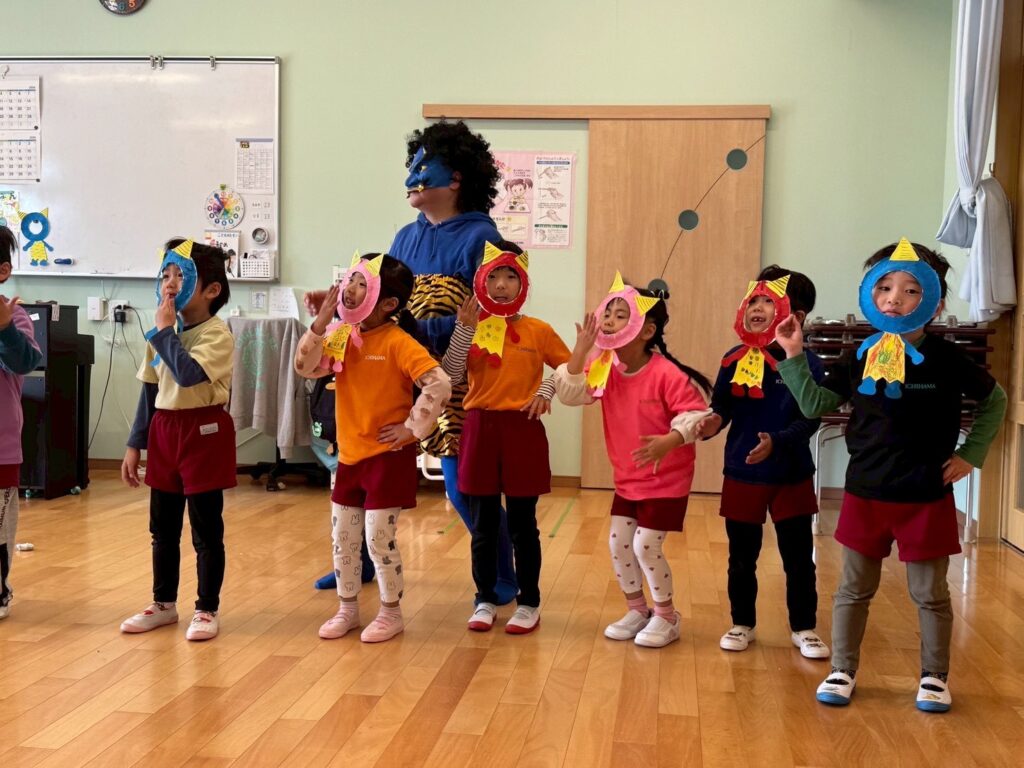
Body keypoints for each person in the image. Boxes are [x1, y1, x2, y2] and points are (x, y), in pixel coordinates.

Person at [775, 239, 1006, 712]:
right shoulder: (860, 354)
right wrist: (794, 354)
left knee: (929, 593)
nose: (894, 298)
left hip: (926, 493)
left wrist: (972, 454)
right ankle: (842, 668)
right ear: (869, 295)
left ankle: (934, 677)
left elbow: (995, 400)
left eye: (910, 290)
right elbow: (816, 404)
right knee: (853, 589)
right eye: (883, 287)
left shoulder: (947, 357)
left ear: (935, 303)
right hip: (866, 492)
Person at [307, 120, 517, 603]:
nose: (411, 178)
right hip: (393, 373)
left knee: (462, 485)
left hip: (453, 377)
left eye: (424, 167)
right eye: (412, 166)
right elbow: (383, 303)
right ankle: (356, 563)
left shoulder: (481, 236)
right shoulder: (404, 237)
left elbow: (491, 312)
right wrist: (338, 309)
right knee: (364, 470)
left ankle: (501, 572)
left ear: (456, 177)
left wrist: (427, 334)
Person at [295, 253, 452, 643]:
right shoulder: (341, 335)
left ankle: (390, 612)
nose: (350, 288)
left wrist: (411, 428)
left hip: (387, 458)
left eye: (362, 283)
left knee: (379, 539)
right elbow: (305, 367)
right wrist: (320, 324)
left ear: (389, 303)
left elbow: (439, 384)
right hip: (349, 457)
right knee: (343, 540)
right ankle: (347, 609)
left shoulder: (398, 342)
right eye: (350, 279)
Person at [554, 274, 711, 648]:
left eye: (620, 315)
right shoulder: (603, 365)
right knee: (619, 544)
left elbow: (696, 416)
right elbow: (571, 395)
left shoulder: (665, 373)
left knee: (645, 546)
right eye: (607, 313)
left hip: (666, 479)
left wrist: (669, 441)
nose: (609, 320)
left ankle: (666, 616)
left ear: (647, 330)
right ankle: (638, 610)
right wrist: (580, 351)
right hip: (627, 478)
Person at [695, 266, 829, 659]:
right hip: (743, 472)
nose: (756, 307)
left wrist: (778, 442)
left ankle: (804, 627)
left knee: (798, 558)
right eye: (753, 299)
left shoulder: (809, 364)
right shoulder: (733, 358)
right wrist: (711, 423)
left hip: (791, 474)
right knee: (741, 557)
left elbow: (811, 419)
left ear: (796, 316)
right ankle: (742, 623)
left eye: (768, 301)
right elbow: (722, 407)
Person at [441, 241, 570, 634]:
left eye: (510, 276)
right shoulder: (472, 325)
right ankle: (484, 599)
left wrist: (545, 390)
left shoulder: (539, 330)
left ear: (523, 282)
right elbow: (451, 375)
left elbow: (571, 370)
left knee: (522, 525)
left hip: (522, 430)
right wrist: (463, 329)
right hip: (479, 428)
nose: (500, 285)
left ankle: (529, 602)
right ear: (480, 280)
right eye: (493, 276)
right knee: (482, 526)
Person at [120, 239, 236, 641]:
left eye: (181, 276)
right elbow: (150, 391)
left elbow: (187, 374)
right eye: (165, 274)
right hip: (165, 431)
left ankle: (206, 608)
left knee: (206, 528)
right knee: (163, 527)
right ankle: (164, 604)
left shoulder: (217, 334)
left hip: (204, 432)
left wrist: (165, 332)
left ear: (212, 290)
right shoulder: (161, 332)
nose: (169, 283)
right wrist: (134, 445)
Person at [0, 225, 42, 620]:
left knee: (0, 525)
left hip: (1, 445)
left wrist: (4, 328)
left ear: (3, 271)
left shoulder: (15, 317)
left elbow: (25, 362)